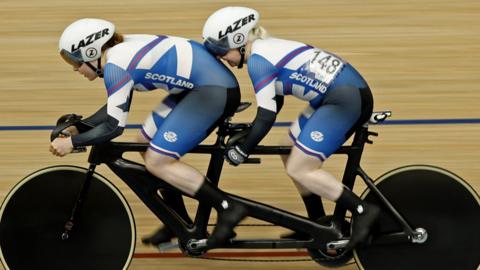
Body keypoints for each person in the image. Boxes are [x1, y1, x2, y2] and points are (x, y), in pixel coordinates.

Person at [50, 18, 247, 247]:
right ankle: (178, 222)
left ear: (92, 51)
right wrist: (80, 127)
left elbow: (114, 126)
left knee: (158, 161)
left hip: (214, 91)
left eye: (75, 61)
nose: (75, 68)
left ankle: (228, 207)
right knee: (145, 143)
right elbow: (115, 107)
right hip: (195, 89)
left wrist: (72, 142)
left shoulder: (116, 65)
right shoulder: (117, 54)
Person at [202, 7, 379, 249]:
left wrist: (242, 149)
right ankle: (317, 223)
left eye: (222, 51)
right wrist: (249, 136)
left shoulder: (258, 61)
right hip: (337, 96)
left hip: (344, 100)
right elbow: (276, 101)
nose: (223, 58)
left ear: (239, 40)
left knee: (300, 167)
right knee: (288, 149)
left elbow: (267, 115)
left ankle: (363, 210)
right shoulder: (266, 46)